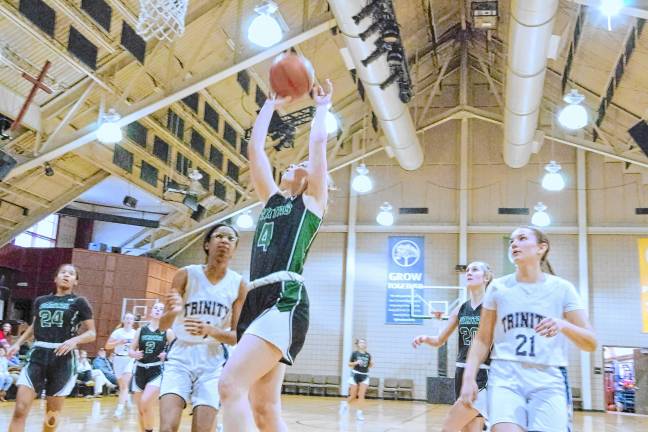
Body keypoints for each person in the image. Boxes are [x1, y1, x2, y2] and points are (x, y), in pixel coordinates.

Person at [219, 80, 333, 432]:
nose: (293, 163)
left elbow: (317, 144)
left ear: (309, 178)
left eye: (301, 165)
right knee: (264, 408)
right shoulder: (271, 199)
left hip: (285, 299)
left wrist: (322, 107)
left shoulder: (311, 203)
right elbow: (256, 150)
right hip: (258, 297)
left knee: (229, 385)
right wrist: (269, 105)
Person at [461, 226, 597, 432]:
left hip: (548, 375)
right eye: (512, 241)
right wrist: (469, 377)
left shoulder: (562, 288)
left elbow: (591, 342)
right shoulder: (498, 287)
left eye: (522, 238)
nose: (514, 243)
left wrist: (563, 325)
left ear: (542, 248)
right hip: (505, 374)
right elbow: (482, 339)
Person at [158, 223, 247, 432]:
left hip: (213, 360)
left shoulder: (239, 284)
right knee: (167, 428)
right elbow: (162, 325)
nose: (224, 241)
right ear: (207, 244)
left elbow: (237, 337)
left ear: (234, 248)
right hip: (180, 355)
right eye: (219, 236)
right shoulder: (186, 274)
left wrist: (211, 331)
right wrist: (172, 312)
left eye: (230, 238)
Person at [8, 263, 95, 432]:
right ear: (55, 278)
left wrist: (74, 340)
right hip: (38, 355)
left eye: (71, 274)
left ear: (75, 281)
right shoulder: (41, 301)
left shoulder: (79, 302)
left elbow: (92, 333)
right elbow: (34, 327)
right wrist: (17, 344)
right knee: (20, 409)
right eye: (63, 272)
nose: (66, 275)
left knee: (51, 416)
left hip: (63, 358)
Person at [412, 261, 493, 432]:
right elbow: (439, 340)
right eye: (468, 270)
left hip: (483, 373)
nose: (469, 272)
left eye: (475, 269)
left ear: (486, 277)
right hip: (460, 372)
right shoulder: (460, 309)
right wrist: (425, 338)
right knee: (469, 428)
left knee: (449, 426)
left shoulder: (493, 307)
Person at [129, 302, 175, 432]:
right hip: (139, 369)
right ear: (151, 311)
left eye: (161, 309)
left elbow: (177, 350)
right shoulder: (141, 330)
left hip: (156, 370)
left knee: (145, 402)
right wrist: (134, 354)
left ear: (163, 313)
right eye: (155, 308)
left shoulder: (168, 331)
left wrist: (167, 354)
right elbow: (130, 351)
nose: (157, 310)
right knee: (141, 409)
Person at [106, 312, 137, 418]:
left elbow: (138, 348)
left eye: (130, 319)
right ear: (123, 320)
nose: (128, 320)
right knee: (122, 385)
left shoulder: (135, 333)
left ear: (133, 321)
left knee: (124, 385)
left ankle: (119, 411)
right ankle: (127, 399)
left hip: (129, 360)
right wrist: (118, 342)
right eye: (127, 318)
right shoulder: (117, 332)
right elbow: (107, 346)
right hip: (118, 359)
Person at [339, 338, 373, 421]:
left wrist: (371, 364)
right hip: (355, 374)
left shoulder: (368, 355)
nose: (362, 344)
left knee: (361, 396)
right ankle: (345, 405)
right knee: (353, 396)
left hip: (364, 375)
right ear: (358, 344)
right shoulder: (354, 354)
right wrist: (356, 362)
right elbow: (349, 364)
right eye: (361, 342)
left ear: (365, 344)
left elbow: (369, 366)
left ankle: (359, 413)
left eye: (364, 342)